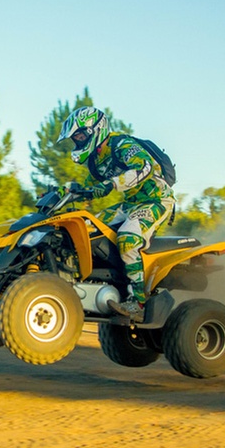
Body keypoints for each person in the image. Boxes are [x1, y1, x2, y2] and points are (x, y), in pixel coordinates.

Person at [57, 105, 175, 322]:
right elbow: (89, 188)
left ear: (96, 130)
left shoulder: (121, 144)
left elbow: (144, 167)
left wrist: (112, 184)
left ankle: (137, 302)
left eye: (81, 135)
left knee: (128, 239)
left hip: (155, 200)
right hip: (131, 203)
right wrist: (64, 191)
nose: (78, 141)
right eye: (76, 138)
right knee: (88, 227)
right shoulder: (95, 160)